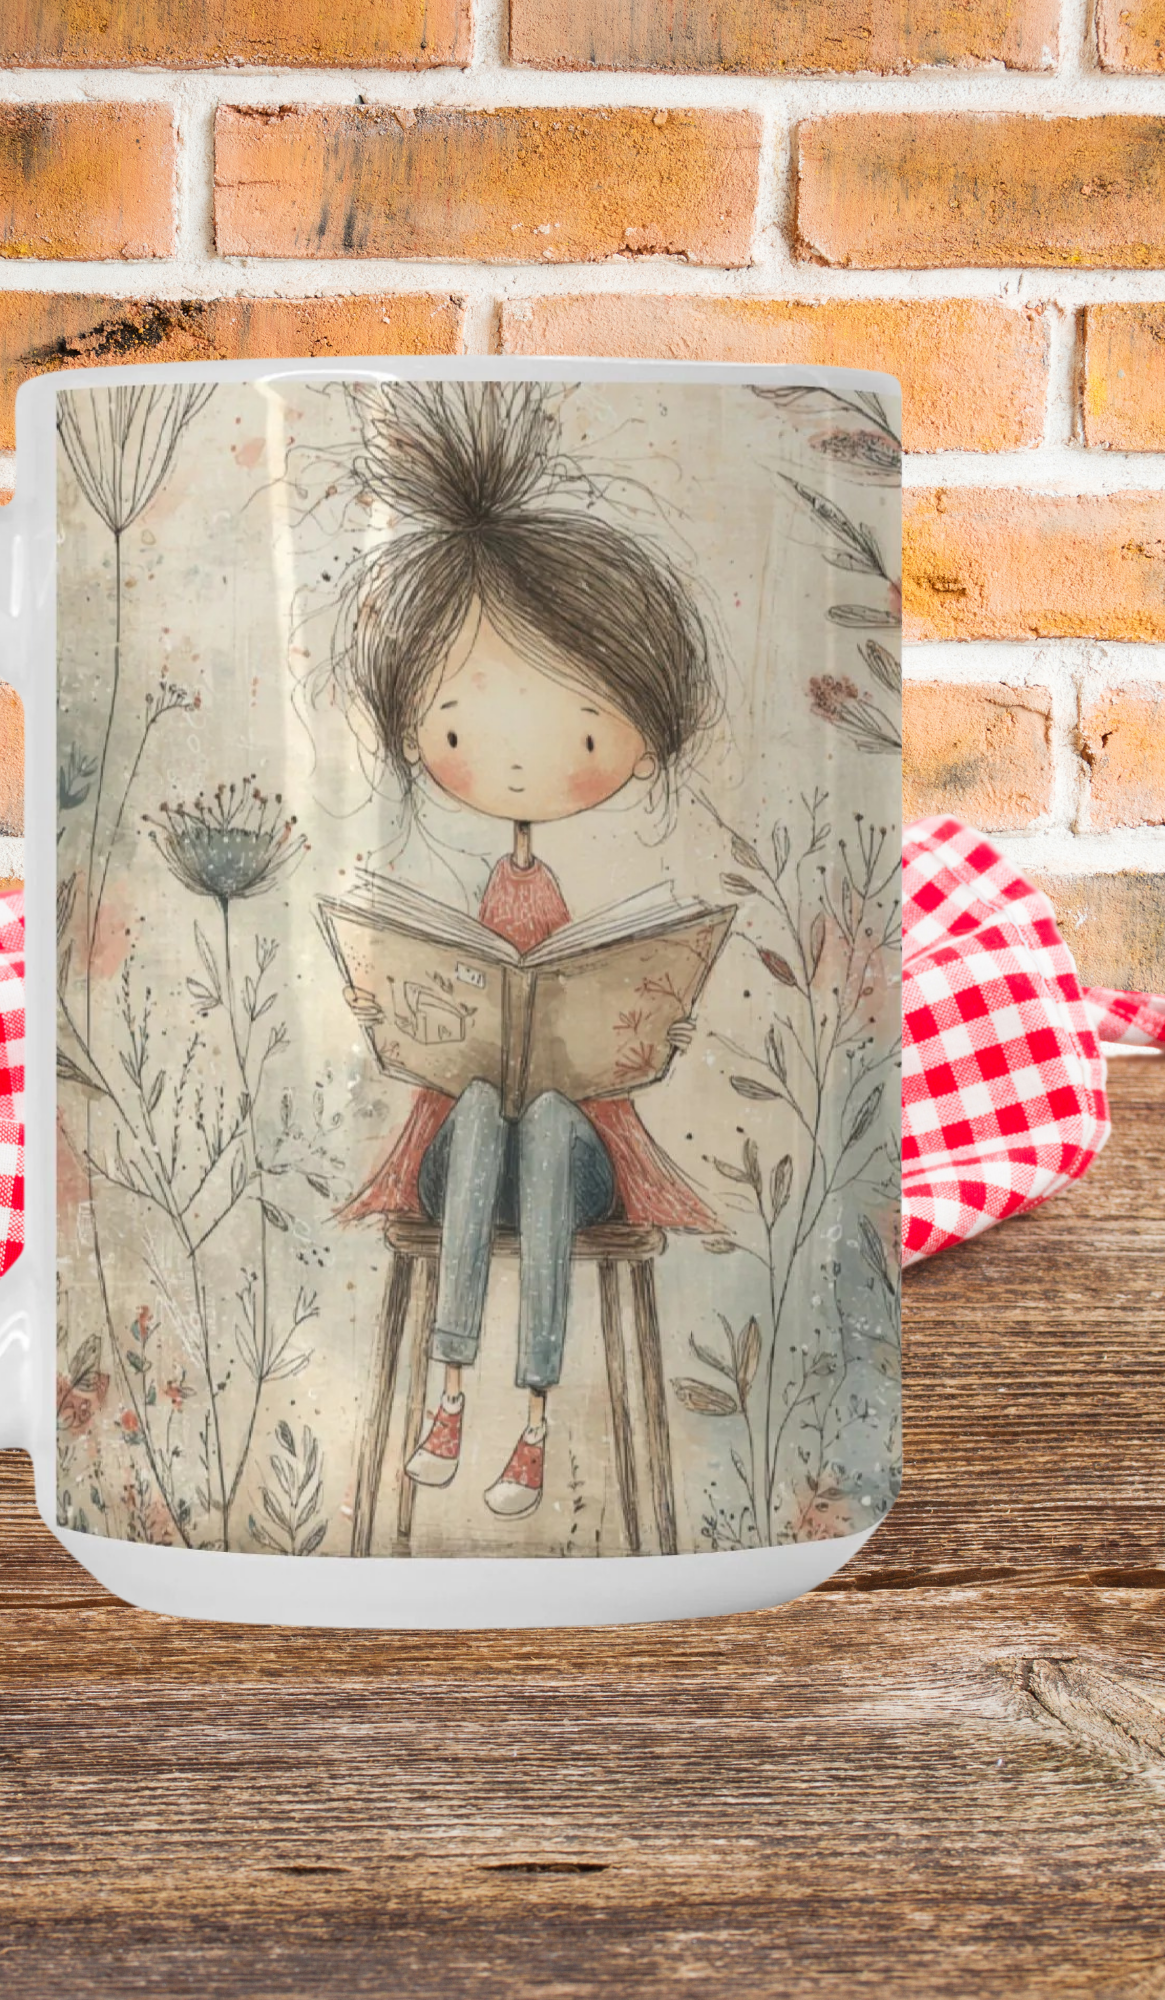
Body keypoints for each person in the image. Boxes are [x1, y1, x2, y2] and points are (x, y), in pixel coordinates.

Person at [333, 382, 720, 1520]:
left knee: (547, 1119)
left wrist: (653, 1023)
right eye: (461, 727)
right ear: (418, 732)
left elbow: (612, 1059)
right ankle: (448, 1387)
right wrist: (394, 1013)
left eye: (578, 728)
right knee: (476, 1115)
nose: (509, 760)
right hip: (461, 1161)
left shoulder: (582, 904)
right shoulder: (465, 899)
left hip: (571, 1165)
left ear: (638, 745)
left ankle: (534, 1420)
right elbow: (429, 1045)